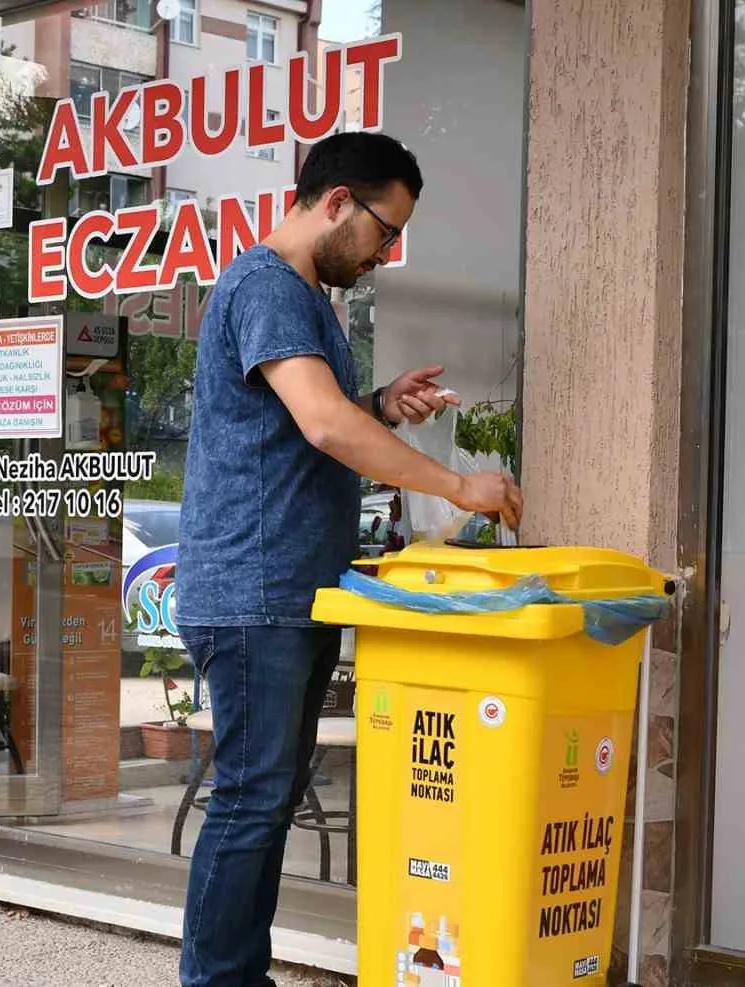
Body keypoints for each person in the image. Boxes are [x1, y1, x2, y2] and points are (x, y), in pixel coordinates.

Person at [173, 130, 523, 987]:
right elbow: (324, 426)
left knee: (267, 798)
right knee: (253, 801)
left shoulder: (302, 298)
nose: (385, 253)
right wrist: (456, 482)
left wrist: (380, 402)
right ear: (336, 202)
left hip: (290, 589)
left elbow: (312, 417)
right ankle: (216, 980)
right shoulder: (268, 285)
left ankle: (233, 976)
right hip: (256, 589)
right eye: (383, 231)